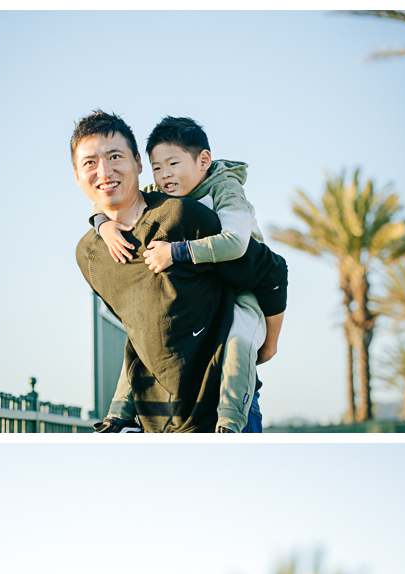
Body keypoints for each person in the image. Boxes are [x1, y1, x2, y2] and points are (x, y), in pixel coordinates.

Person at [73, 110, 288, 434]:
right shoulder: (94, 250)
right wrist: (103, 225)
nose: (165, 175)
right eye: (159, 167)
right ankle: (117, 418)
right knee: (138, 333)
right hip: (158, 417)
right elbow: (108, 193)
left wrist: (270, 344)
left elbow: (256, 260)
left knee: (238, 338)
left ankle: (229, 422)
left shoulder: (206, 201)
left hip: (240, 308)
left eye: (115, 156)